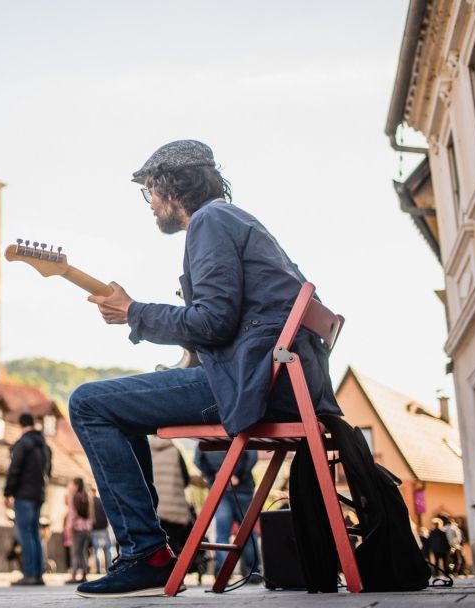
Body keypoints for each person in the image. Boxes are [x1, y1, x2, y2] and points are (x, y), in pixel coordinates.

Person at [68, 140, 343, 598]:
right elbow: (225, 323)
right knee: (118, 406)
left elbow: (214, 322)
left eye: (150, 192)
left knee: (88, 403)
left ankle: (145, 554)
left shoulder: (210, 222)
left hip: (252, 385)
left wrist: (134, 312)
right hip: (278, 381)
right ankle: (147, 550)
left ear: (172, 187)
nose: (151, 204)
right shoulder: (235, 220)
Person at [194, 448, 260, 577]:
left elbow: (198, 460)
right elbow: (252, 455)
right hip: (241, 488)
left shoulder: (208, 434)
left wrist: (213, 477)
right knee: (247, 531)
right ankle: (254, 572)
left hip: (221, 488)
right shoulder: (238, 429)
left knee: (222, 532)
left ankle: (224, 572)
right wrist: (238, 475)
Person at [4, 412, 51, 586]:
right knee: (34, 534)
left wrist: (8, 492)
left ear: (20, 425)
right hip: (39, 494)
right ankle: (38, 574)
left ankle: (30, 574)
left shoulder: (22, 444)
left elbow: (14, 470)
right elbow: (49, 471)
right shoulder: (44, 445)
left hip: (24, 494)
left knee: (25, 534)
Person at [149, 437, 194, 558]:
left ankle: (156, 572)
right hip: (173, 508)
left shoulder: (146, 449)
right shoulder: (174, 450)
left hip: (153, 508)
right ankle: (172, 574)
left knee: (154, 546)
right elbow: (185, 479)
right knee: (172, 545)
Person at [65, 478, 94, 584]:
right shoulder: (87, 496)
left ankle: (73, 575)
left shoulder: (73, 497)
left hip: (77, 528)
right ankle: (84, 574)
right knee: (83, 552)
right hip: (87, 529)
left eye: (71, 484)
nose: (69, 486)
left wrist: (68, 528)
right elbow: (91, 514)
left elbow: (72, 515)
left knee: (75, 552)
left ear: (76, 486)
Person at [90, 487, 114, 574]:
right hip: (104, 528)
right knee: (107, 550)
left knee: (96, 550)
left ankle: (98, 570)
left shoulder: (90, 502)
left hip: (95, 529)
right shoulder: (102, 501)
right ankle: (110, 568)